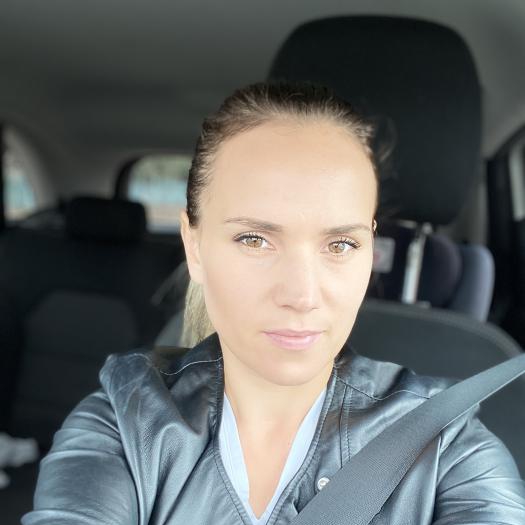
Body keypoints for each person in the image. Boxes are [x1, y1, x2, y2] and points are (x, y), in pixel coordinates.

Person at [22, 82, 525, 525]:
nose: (301, 296)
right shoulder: (127, 420)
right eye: (254, 240)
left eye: (340, 244)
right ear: (194, 247)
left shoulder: (447, 447)